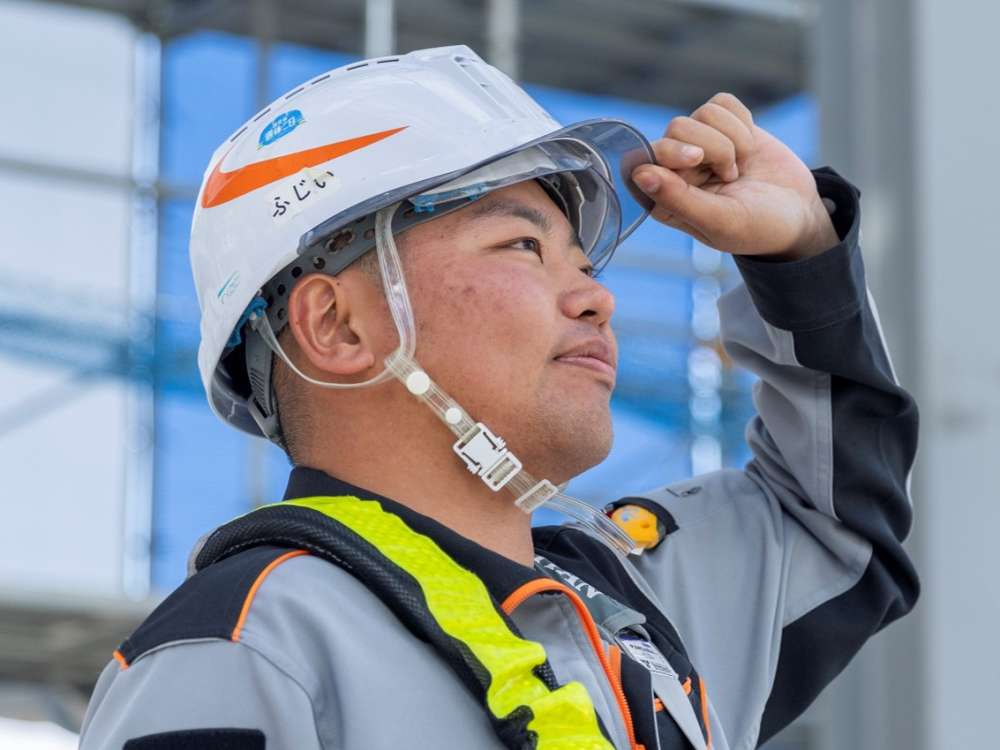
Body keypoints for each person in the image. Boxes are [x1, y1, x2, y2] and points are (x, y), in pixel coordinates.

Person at [79, 45, 918, 750]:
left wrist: (802, 255)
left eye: (583, 263)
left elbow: (835, 521)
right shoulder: (243, 648)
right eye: (522, 245)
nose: (597, 298)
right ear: (336, 325)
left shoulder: (633, 613)